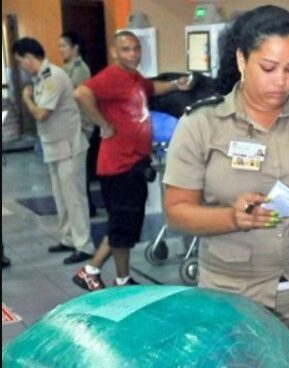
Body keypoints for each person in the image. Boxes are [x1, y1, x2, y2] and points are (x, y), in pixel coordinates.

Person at [161, 5, 289, 368]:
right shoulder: (202, 124)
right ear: (241, 60)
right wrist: (232, 218)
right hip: (232, 295)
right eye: (268, 68)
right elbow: (176, 210)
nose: (282, 81)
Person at [71, 31, 191, 291]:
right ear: (114, 52)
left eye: (136, 49)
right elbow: (81, 93)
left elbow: (151, 87)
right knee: (122, 225)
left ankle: (123, 279)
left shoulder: (134, 78)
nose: (133, 54)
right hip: (119, 165)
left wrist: (175, 85)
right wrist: (103, 124)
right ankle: (90, 270)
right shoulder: (111, 77)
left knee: (124, 225)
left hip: (133, 163)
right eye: (126, 49)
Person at [12, 37, 95, 265]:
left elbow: (41, 114)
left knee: (74, 199)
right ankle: (68, 238)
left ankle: (84, 245)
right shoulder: (41, 78)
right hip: (54, 146)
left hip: (69, 146)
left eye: (20, 61)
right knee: (61, 197)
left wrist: (27, 98)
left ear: (29, 58)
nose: (21, 67)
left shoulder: (53, 77)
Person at [59, 31, 99, 217]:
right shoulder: (66, 68)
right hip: (71, 124)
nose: (60, 50)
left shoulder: (80, 69)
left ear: (75, 48)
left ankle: (86, 207)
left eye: (64, 46)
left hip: (81, 125)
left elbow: (70, 95)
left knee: (79, 171)